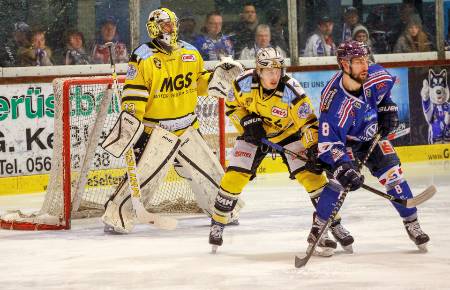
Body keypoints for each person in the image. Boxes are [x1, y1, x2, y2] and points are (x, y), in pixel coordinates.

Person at [101, 8, 241, 234]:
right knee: (144, 178)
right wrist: (130, 126)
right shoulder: (143, 56)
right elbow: (135, 95)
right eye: (166, 24)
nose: (172, 28)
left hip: (187, 126)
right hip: (156, 130)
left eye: (173, 24)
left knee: (209, 171)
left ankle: (223, 210)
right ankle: (117, 215)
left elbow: (199, 83)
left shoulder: (190, 52)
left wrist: (218, 77)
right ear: (154, 27)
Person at [208, 47, 354, 255]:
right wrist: (246, 122)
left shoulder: (290, 90)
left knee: (314, 179)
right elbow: (232, 106)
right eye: (269, 71)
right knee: (233, 177)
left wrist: (313, 148)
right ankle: (218, 222)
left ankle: (333, 224)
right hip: (255, 133)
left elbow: (307, 124)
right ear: (259, 70)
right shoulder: (244, 83)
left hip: (288, 133)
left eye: (278, 70)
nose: (274, 75)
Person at [305, 40, 430, 255]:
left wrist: (388, 109)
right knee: (338, 183)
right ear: (344, 65)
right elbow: (329, 144)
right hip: (346, 143)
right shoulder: (333, 102)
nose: (365, 65)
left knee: (394, 174)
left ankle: (412, 223)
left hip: (372, 135)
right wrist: (343, 167)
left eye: (365, 59)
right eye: (358, 61)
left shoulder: (376, 75)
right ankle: (319, 230)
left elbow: (384, 96)